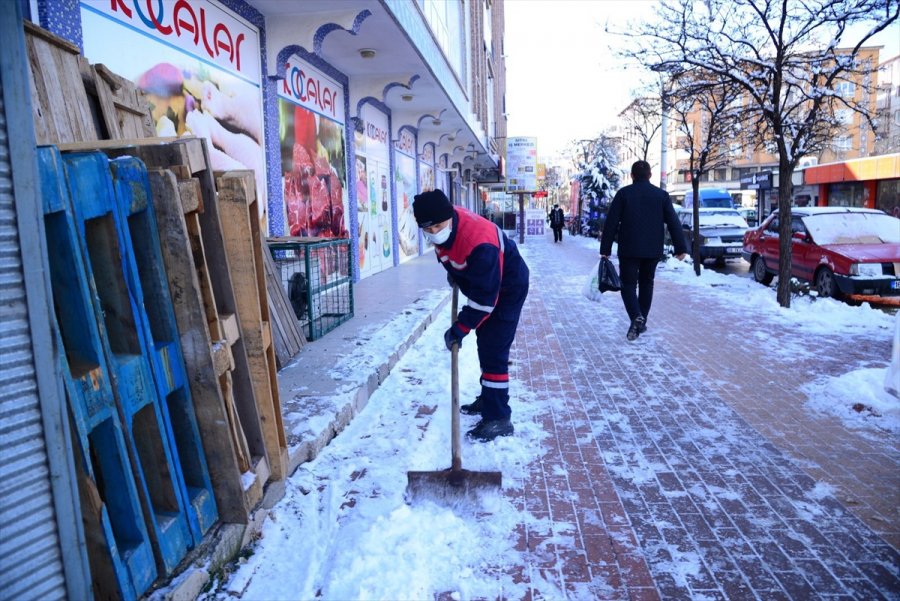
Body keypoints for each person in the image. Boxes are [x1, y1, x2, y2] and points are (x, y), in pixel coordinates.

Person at [413, 189, 530, 442]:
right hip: (487, 285)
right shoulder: (445, 224)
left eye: (438, 227)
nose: (434, 233)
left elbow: (484, 300)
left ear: (450, 218)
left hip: (508, 288)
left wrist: (460, 328)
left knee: (494, 350)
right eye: (428, 230)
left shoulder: (480, 242)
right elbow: (450, 253)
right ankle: (489, 399)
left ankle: (499, 417)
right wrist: (455, 272)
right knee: (486, 345)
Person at [600, 160, 688, 341]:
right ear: (650, 176)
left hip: (629, 249)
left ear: (632, 176)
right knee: (647, 283)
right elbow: (673, 222)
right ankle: (641, 319)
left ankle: (636, 317)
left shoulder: (623, 194)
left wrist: (605, 249)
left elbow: (611, 222)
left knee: (628, 284)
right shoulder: (661, 196)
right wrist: (680, 247)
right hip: (652, 250)